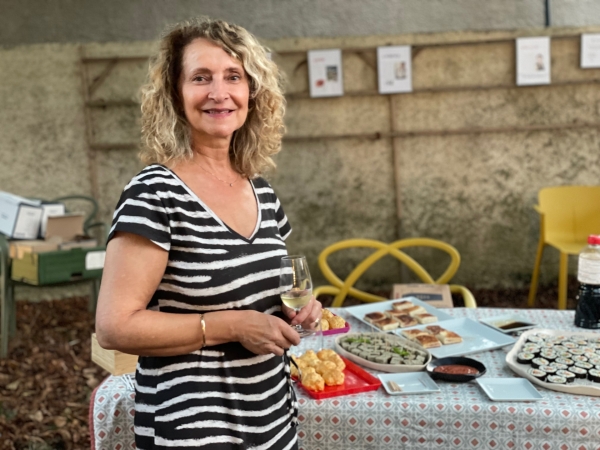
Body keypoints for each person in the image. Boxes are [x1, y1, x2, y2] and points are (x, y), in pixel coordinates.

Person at [95, 16, 322, 450]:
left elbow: (269, 290)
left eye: (233, 76)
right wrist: (232, 325)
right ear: (175, 96)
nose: (219, 93)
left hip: (271, 421)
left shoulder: (261, 191)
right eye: (201, 77)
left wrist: (301, 308)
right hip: (193, 431)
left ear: (252, 93)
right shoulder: (154, 192)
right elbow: (114, 328)